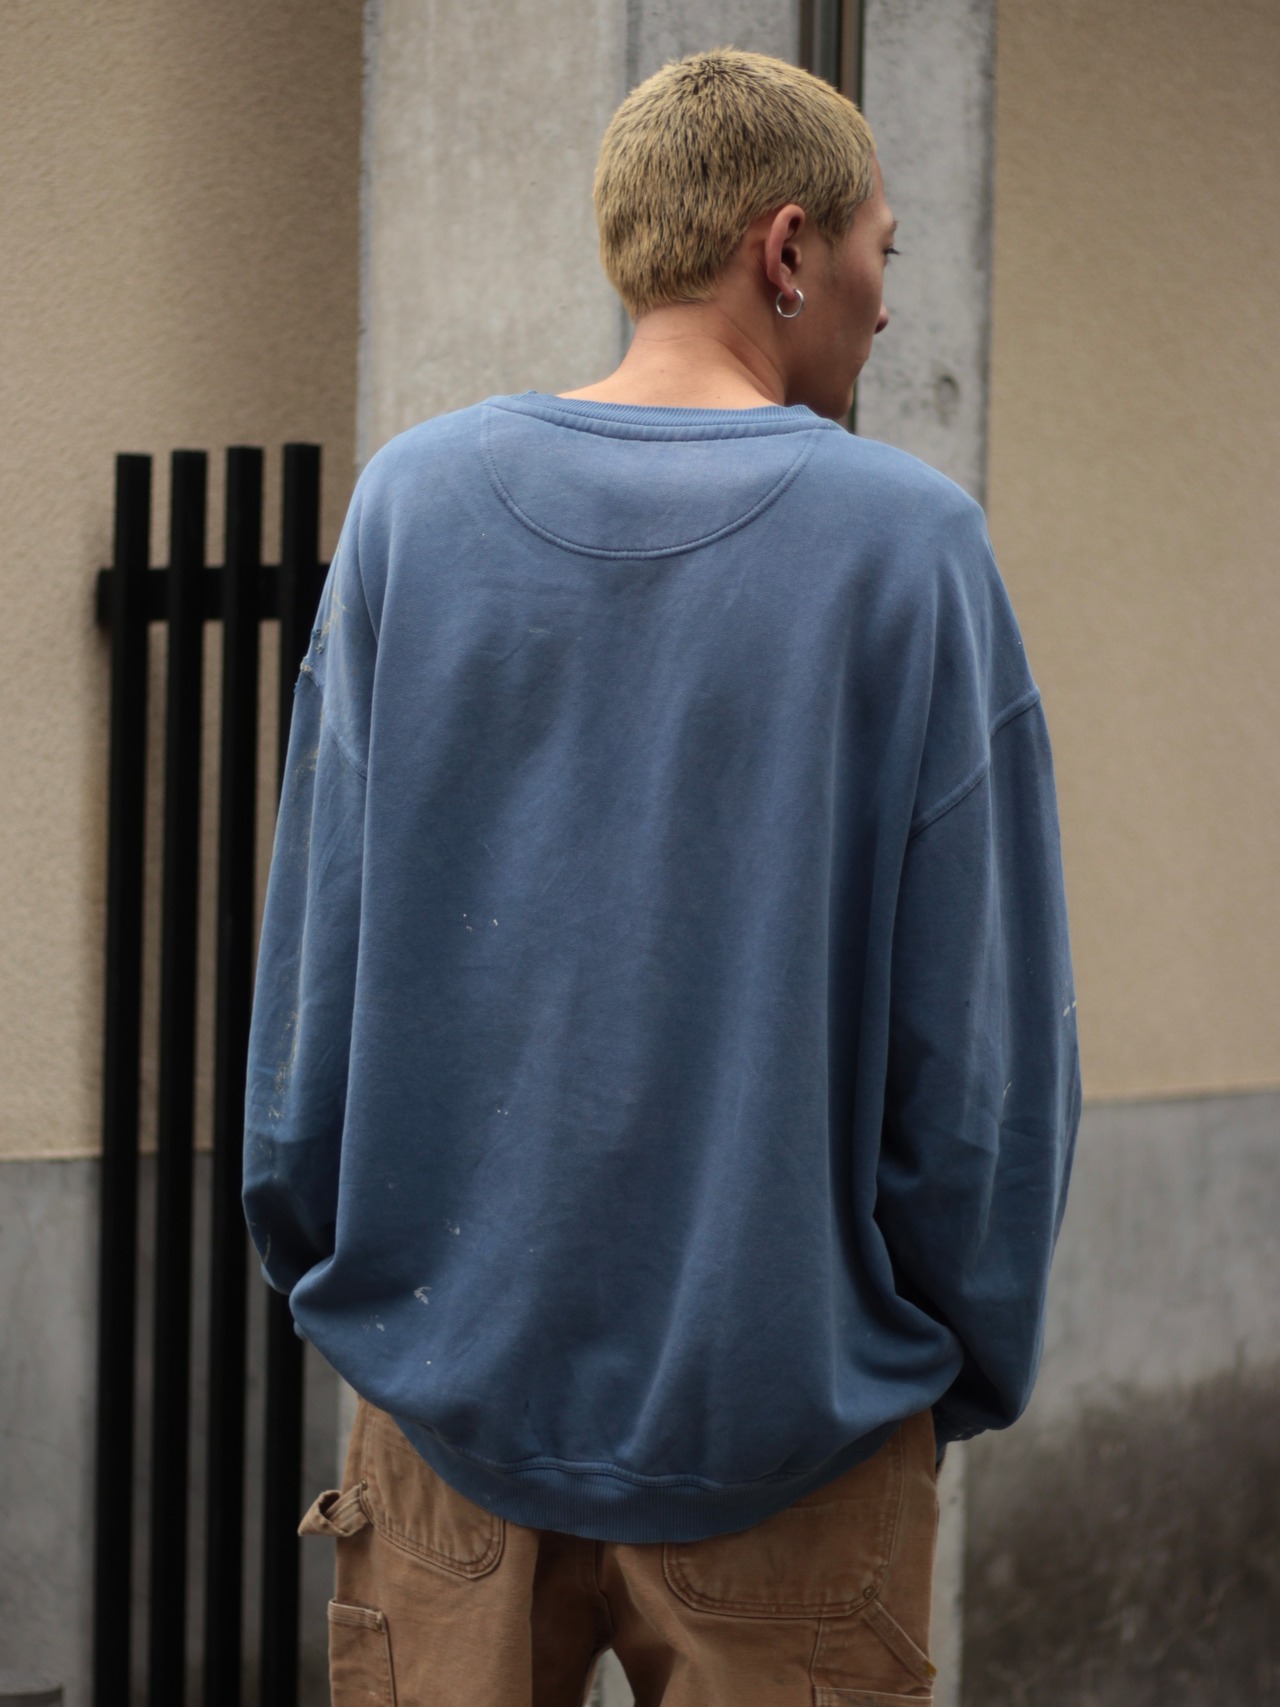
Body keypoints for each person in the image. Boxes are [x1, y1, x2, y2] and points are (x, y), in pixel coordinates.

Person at [243, 47, 1079, 1707]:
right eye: (883, 249)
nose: (889, 301)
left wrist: (355, 1289)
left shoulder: (413, 504)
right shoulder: (910, 547)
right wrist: (933, 1372)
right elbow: (978, 1054)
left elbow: (312, 971)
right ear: (788, 251)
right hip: (794, 1431)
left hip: (443, 1413)